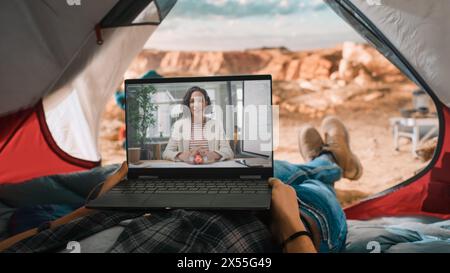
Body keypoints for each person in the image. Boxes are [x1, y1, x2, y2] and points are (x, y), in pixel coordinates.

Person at [269, 115, 363, 253]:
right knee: (315, 191)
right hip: (307, 229)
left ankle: (325, 162)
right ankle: (331, 161)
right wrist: (291, 227)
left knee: (266, 169)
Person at [162, 86, 234, 163]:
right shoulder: (179, 126)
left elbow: (229, 152)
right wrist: (182, 155)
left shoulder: (216, 125)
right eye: (192, 101)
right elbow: (166, 152)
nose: (196, 104)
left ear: (206, 103)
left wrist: (212, 154)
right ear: (188, 105)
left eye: (200, 101)